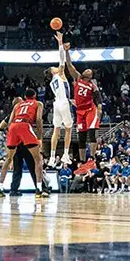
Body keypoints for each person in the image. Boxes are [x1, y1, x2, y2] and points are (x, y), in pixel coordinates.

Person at [59, 35, 102, 165]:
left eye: (90, 70)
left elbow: (98, 97)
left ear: (91, 76)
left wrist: (99, 108)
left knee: (91, 134)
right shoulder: (77, 78)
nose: (87, 70)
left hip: (90, 110)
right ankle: (83, 161)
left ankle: (92, 158)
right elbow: (69, 65)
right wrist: (66, 51)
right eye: (87, 69)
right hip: (80, 111)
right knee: (81, 137)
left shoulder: (92, 85)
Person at [4, 89, 49, 196]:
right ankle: (40, 188)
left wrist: (11, 134)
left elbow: (3, 125)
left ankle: (13, 190)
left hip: (15, 136)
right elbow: (38, 120)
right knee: (34, 163)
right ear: (34, 95)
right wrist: (39, 137)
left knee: (17, 166)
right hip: (25, 136)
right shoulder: (36, 104)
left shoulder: (16, 110)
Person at [47, 36, 74, 169]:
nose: (56, 68)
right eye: (54, 68)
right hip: (63, 103)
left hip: (56, 103)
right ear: (53, 72)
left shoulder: (52, 82)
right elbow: (61, 59)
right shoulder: (59, 75)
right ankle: (65, 154)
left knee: (56, 130)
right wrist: (60, 43)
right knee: (68, 129)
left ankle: (52, 157)